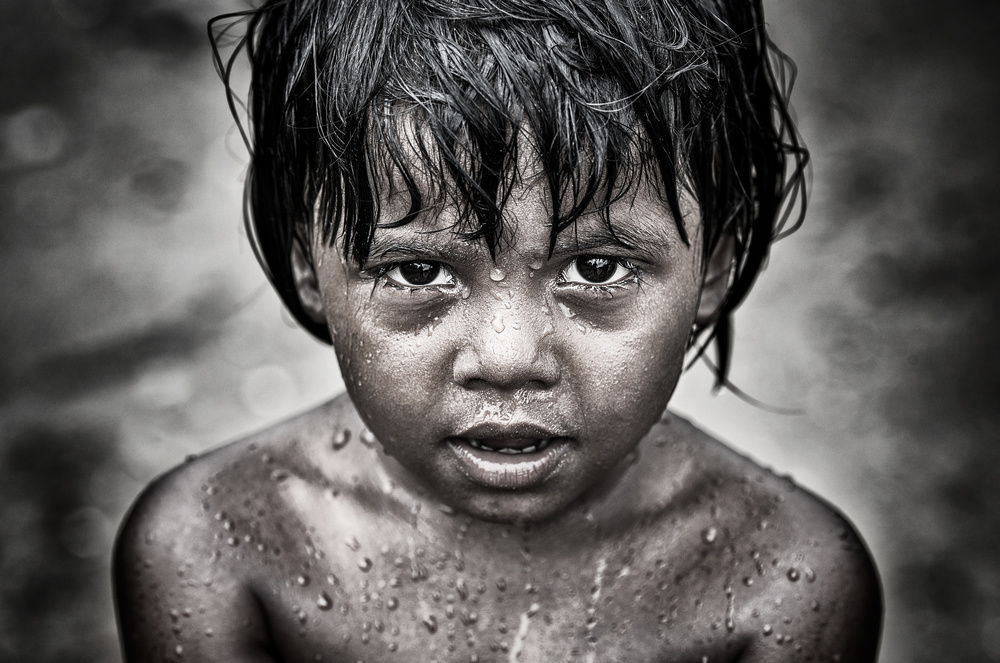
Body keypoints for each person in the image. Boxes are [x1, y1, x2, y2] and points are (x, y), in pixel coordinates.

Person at [113, 0, 883, 660]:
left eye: (599, 269)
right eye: (418, 273)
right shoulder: (215, 544)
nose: (510, 359)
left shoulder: (788, 578)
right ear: (308, 266)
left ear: (713, 264)